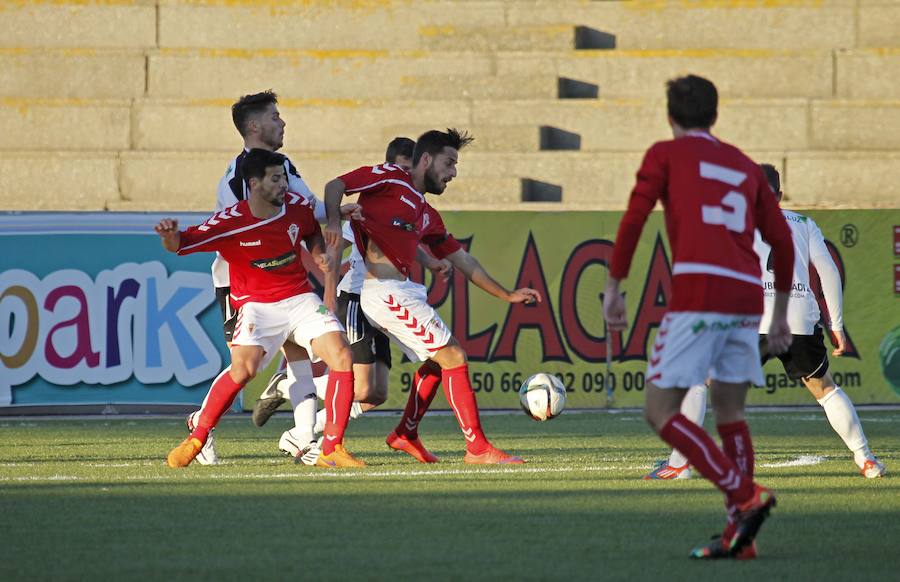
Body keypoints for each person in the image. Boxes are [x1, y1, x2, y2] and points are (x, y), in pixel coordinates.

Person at [603, 75, 796, 559]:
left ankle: (743, 494)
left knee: (659, 411)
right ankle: (740, 537)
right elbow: (782, 242)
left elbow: (634, 217)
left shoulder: (665, 155)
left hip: (699, 290)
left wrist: (614, 285)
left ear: (670, 117)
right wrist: (778, 316)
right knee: (731, 412)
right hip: (747, 296)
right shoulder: (744, 165)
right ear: (715, 115)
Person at [645, 165, 886, 481]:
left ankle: (679, 464)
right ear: (780, 194)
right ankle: (866, 460)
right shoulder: (803, 223)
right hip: (798, 319)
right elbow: (828, 271)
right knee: (825, 389)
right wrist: (836, 325)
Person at [323, 128, 540, 464]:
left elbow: (464, 260)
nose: (453, 172)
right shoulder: (391, 177)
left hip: (403, 291)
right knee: (453, 356)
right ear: (425, 159)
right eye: (449, 162)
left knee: (438, 363)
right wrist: (335, 223)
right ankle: (478, 448)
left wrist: (508, 295)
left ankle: (406, 433)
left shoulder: (427, 214)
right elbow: (335, 186)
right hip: (383, 292)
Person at [157, 149, 363, 469]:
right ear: (254, 183)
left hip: (299, 298)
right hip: (257, 306)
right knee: (244, 369)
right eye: (276, 178)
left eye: (284, 177)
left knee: (341, 355)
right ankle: (197, 436)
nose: (285, 185)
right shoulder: (232, 222)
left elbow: (310, 232)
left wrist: (319, 253)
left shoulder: (297, 207)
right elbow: (182, 243)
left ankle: (332, 447)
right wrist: (170, 238)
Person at [257, 136, 451, 463]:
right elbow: (336, 245)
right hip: (358, 298)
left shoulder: (408, 202)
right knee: (360, 385)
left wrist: (429, 261)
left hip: (386, 303)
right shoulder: (374, 199)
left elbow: (403, 239)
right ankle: (296, 395)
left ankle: (303, 429)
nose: (404, 175)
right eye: (400, 168)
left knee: (376, 394)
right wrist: (330, 293)